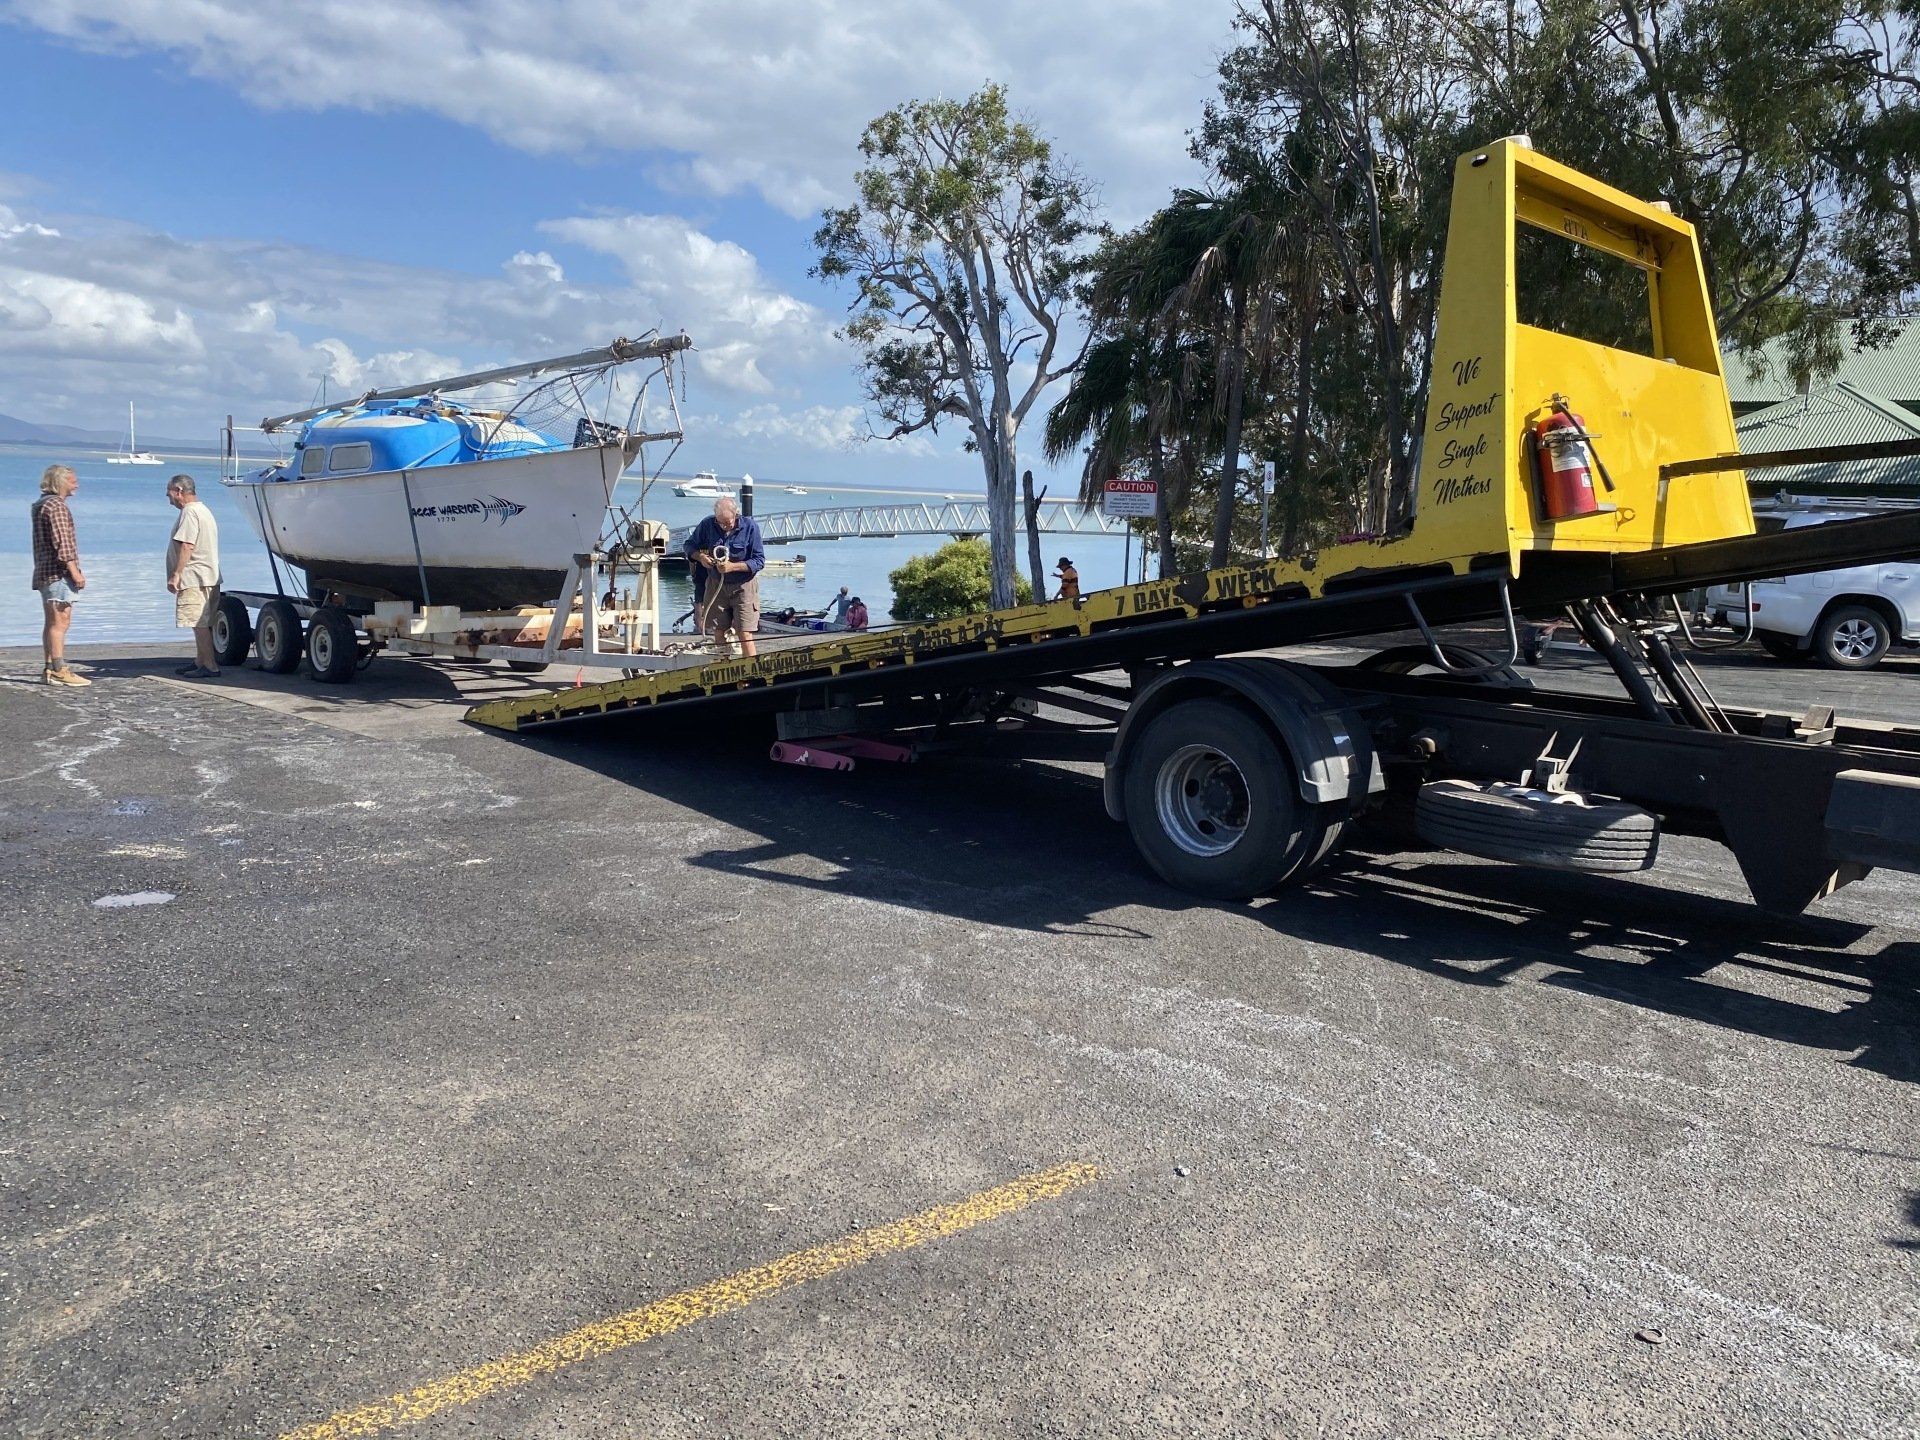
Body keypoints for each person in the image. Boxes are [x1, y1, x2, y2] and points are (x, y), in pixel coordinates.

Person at [682, 496, 765, 657]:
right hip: (716, 585)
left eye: (728, 522)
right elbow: (689, 545)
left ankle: (752, 668)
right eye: (721, 523)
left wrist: (732, 567)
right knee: (718, 630)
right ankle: (722, 665)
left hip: (743, 586)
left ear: (736, 514)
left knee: (744, 632)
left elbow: (759, 561)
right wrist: (701, 557)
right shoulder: (707, 524)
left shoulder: (750, 527)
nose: (725, 527)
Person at [31, 464, 90, 687]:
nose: (77, 485)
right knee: (60, 621)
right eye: (73, 481)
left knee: (51, 622)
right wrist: (75, 573)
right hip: (58, 573)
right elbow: (63, 543)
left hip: (44, 571)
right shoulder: (56, 506)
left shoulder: (42, 504)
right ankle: (58, 669)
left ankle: (49, 668)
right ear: (60, 482)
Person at [165, 474, 222, 678]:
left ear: (179, 491)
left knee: (198, 622)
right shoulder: (202, 510)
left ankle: (210, 665)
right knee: (202, 621)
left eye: (169, 493)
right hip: (207, 575)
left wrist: (176, 574)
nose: (168, 498)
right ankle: (200, 661)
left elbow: (187, 545)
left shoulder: (190, 512)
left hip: (195, 577)